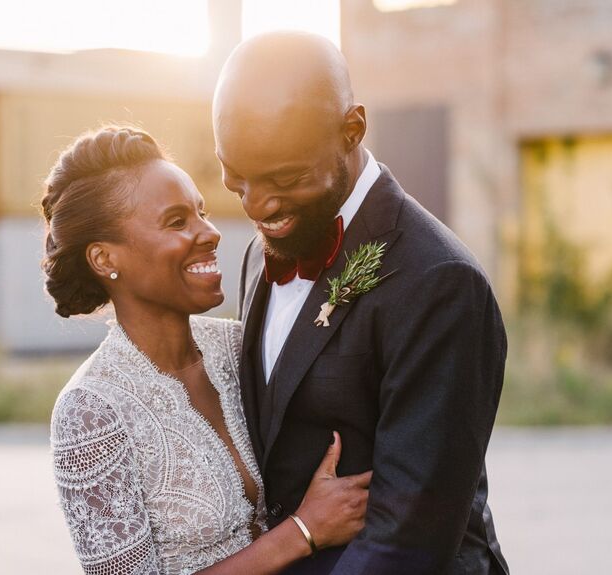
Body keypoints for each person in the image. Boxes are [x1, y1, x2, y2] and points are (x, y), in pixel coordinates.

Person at [213, 32, 509, 574]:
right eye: (237, 177)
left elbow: (409, 541)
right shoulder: (260, 254)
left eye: (285, 178)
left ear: (352, 130)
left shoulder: (440, 283)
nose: (257, 206)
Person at [41, 126, 371, 575]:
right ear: (105, 259)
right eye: (177, 222)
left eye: (202, 212)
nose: (210, 233)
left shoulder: (239, 346)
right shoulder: (92, 411)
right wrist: (304, 532)